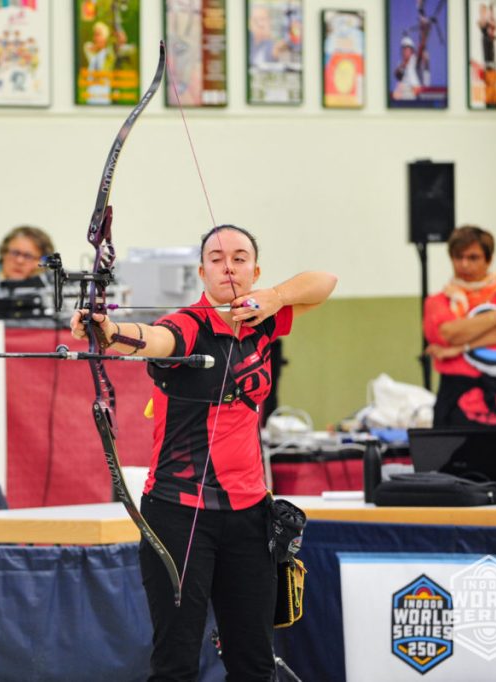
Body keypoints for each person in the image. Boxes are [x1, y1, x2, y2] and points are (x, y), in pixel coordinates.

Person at [70, 224, 336, 681]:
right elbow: (154, 339)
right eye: (216, 258)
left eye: (238, 257)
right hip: (178, 513)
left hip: (250, 512)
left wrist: (272, 296)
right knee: (175, 663)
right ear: (201, 271)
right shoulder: (189, 325)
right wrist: (108, 330)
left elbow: (324, 281)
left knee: (253, 662)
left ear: (255, 269)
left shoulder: (264, 316)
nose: (228, 266)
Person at [424, 225, 496, 484]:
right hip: (457, 401)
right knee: (454, 482)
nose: (464, 264)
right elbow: (448, 332)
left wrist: (462, 345)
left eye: (473, 257)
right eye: (458, 257)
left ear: (488, 259)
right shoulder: (438, 301)